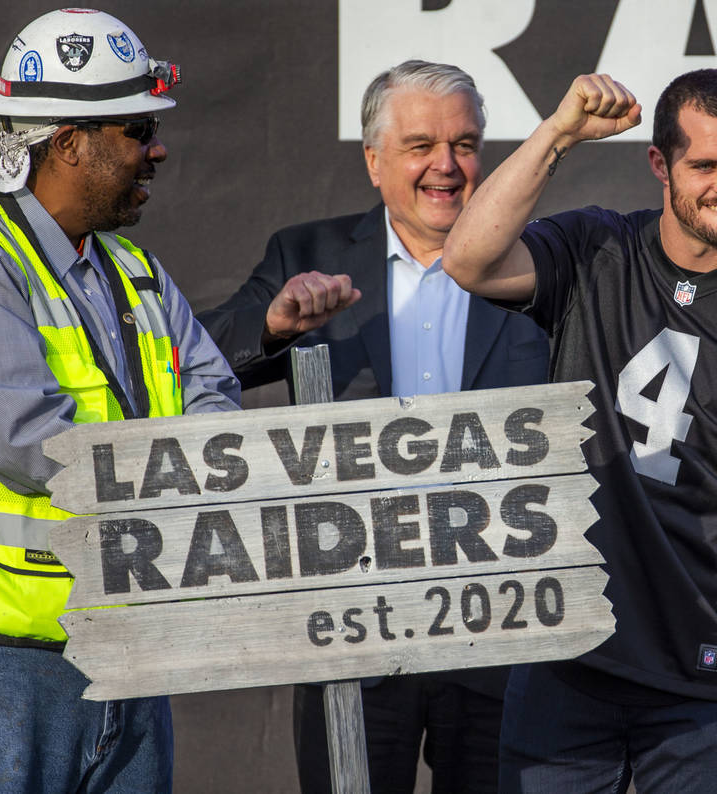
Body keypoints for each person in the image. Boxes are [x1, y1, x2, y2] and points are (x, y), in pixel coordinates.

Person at [442, 69, 717, 792]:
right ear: (660, 164)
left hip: (710, 688)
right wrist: (557, 134)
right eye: (704, 165)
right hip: (567, 665)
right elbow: (468, 260)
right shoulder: (594, 251)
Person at [0, 9, 239, 792]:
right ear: (67, 143)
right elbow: (31, 445)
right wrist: (183, 470)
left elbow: (213, 395)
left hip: (125, 648)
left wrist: (205, 453)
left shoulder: (135, 271)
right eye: (136, 130)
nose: (156, 149)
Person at [198, 60, 550, 793]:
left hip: (499, 624)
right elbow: (198, 363)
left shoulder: (539, 261)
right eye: (421, 145)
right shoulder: (310, 256)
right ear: (373, 160)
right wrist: (274, 323)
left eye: (465, 144)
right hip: (353, 623)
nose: (447, 167)